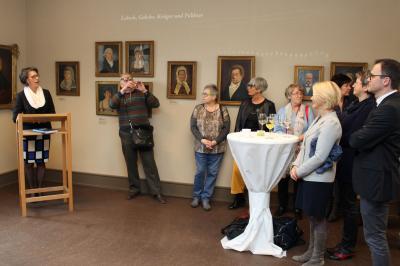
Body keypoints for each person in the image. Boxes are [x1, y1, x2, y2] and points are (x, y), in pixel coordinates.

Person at [349, 59, 400, 266]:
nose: (368, 79)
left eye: (373, 76)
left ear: (386, 80)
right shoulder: (383, 104)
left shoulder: (390, 108)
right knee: (375, 236)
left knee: (375, 237)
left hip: (377, 179)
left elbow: (356, 139)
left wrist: (360, 137)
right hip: (375, 176)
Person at [290, 81, 342, 265]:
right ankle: (311, 252)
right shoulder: (321, 118)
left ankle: (317, 258)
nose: (311, 97)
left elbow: (320, 156)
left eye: (314, 94)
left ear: (323, 98)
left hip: (320, 178)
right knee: (312, 217)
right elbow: (305, 147)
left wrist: (299, 171)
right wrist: (295, 166)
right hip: (310, 176)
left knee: (318, 218)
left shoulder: (331, 123)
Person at [327, 71, 375, 261]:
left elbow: (348, 135)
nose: (352, 85)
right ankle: (344, 243)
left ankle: (347, 246)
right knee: (347, 205)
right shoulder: (356, 104)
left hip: (353, 162)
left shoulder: (368, 107)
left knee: (349, 206)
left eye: (355, 82)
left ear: (364, 87)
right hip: (346, 160)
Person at [109, 73, 166, 204]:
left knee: (149, 163)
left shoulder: (141, 93)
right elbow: (111, 105)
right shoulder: (119, 96)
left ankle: (156, 192)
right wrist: (122, 91)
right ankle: (134, 189)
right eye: (124, 79)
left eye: (130, 79)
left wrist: (145, 91)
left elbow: (156, 104)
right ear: (120, 83)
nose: (128, 81)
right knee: (131, 164)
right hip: (126, 134)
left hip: (143, 133)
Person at [228, 77, 276, 209]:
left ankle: (256, 200)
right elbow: (238, 123)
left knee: (257, 172)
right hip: (244, 143)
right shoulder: (244, 103)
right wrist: (235, 141)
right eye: (248, 85)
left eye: (251, 86)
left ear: (259, 89)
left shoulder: (269, 105)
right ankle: (238, 198)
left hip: (261, 145)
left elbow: (272, 126)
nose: (248, 88)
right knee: (237, 170)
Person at [274, 84, 314, 219]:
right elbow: (277, 129)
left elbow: (312, 130)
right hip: (285, 150)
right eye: (296, 93)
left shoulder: (308, 111)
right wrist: (287, 138)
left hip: (301, 149)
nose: (299, 95)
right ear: (289, 96)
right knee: (283, 179)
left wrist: (299, 138)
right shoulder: (282, 111)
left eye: (301, 93)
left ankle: (298, 207)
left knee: (298, 178)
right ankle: (282, 205)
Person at [12, 67, 56, 190]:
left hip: (44, 132)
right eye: (33, 76)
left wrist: (44, 119)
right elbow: (15, 116)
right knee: (29, 163)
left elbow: (53, 112)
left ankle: (39, 189)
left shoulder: (46, 93)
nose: (37, 78)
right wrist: (30, 119)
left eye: (37, 75)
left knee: (41, 162)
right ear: (27, 80)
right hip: (28, 133)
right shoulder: (21, 96)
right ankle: (32, 190)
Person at [190, 84, 230, 211]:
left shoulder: (223, 109)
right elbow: (193, 127)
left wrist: (215, 142)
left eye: (206, 94)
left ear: (214, 96)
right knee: (200, 171)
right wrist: (203, 140)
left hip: (217, 148)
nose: (203, 96)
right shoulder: (198, 109)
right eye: (203, 94)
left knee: (212, 173)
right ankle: (196, 196)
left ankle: (206, 197)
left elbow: (226, 128)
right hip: (200, 147)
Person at [327, 73, 353, 222]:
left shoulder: (353, 102)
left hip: (348, 148)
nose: (349, 88)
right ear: (338, 87)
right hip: (332, 147)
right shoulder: (329, 103)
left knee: (345, 182)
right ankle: (332, 210)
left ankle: (344, 209)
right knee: (332, 180)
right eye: (346, 85)